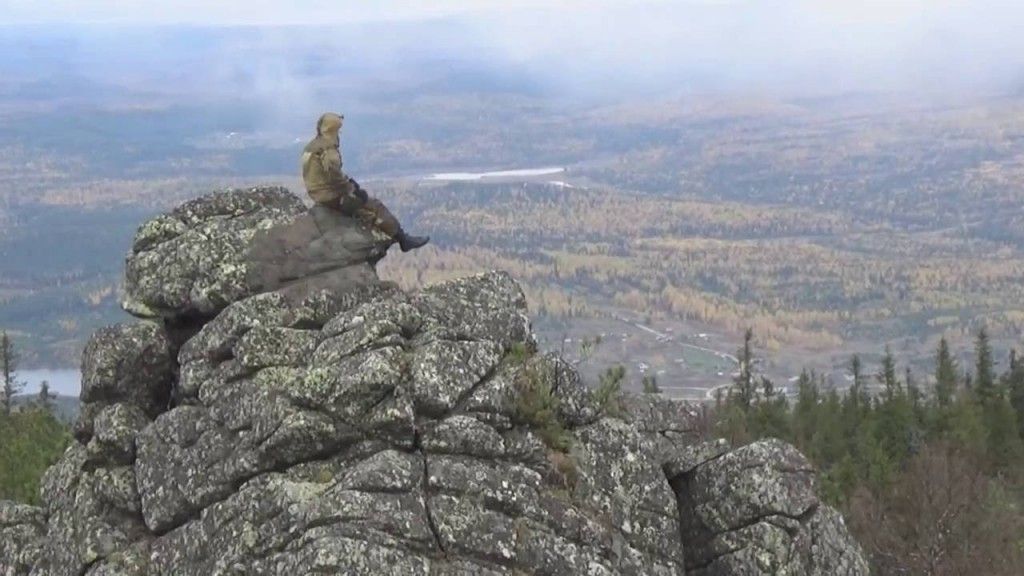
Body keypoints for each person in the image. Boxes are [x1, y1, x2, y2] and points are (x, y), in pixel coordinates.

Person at [301, 112, 429, 252]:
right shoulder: (328, 148)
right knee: (374, 206)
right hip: (331, 196)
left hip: (317, 194)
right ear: (333, 129)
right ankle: (403, 239)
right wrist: (353, 189)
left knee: (364, 206)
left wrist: (348, 182)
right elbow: (334, 175)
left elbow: (325, 174)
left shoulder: (311, 147)